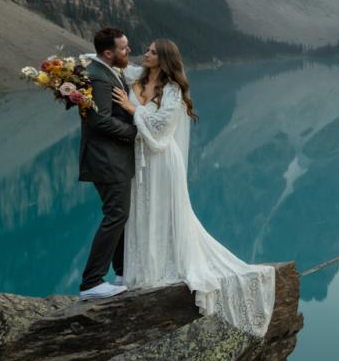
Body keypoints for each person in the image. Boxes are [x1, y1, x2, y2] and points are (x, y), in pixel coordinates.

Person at [111, 38, 275, 336]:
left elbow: (163, 127)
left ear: (163, 59)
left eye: (150, 51)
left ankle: (161, 266)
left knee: (162, 211)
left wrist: (132, 110)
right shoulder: (134, 76)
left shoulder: (172, 91)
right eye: (146, 50)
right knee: (140, 211)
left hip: (162, 160)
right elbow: (99, 63)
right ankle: (142, 269)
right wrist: (65, 71)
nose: (144, 54)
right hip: (139, 159)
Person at [77, 27, 136, 300]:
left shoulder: (105, 70)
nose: (129, 51)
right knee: (116, 215)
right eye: (124, 48)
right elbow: (98, 120)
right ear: (108, 53)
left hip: (111, 158)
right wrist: (134, 132)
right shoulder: (99, 78)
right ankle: (92, 282)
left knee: (118, 215)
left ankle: (122, 272)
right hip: (107, 159)